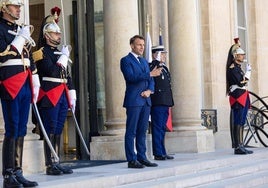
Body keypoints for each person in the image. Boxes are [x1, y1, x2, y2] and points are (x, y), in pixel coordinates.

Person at [32, 7, 76, 175]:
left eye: (58, 34)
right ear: (47, 35)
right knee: (50, 128)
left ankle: (57, 161)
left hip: (62, 92)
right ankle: (49, 164)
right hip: (49, 93)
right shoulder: (40, 53)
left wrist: (72, 92)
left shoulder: (59, 52)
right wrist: (64, 57)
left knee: (58, 128)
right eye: (55, 34)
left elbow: (67, 75)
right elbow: (50, 71)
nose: (59, 36)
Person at [0, 0, 39, 187]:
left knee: (22, 128)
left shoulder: (19, 29)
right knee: (12, 127)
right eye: (15, 6)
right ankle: (8, 175)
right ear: (4, 8)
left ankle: (18, 171)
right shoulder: (0, 28)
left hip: (24, 81)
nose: (18, 10)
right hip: (9, 82)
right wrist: (19, 39)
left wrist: (35, 76)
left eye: (20, 7)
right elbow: (2, 53)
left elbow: (29, 57)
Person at [120, 35, 162, 168]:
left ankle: (142, 157)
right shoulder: (126, 60)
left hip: (146, 100)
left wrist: (150, 90)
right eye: (139, 45)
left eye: (143, 45)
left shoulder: (144, 61)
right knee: (131, 131)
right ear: (132, 45)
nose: (142, 48)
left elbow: (151, 81)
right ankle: (131, 159)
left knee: (142, 130)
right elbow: (131, 77)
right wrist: (150, 74)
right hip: (134, 100)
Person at [226, 38, 253, 155]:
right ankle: (237, 146)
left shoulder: (238, 68)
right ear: (235, 55)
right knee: (238, 120)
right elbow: (240, 82)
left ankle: (241, 144)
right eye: (241, 55)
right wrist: (248, 73)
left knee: (242, 121)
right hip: (238, 97)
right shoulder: (232, 68)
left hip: (242, 95)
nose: (243, 57)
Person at [149, 45, 174, 160]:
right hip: (158, 101)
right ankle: (158, 153)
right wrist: (156, 62)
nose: (164, 56)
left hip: (165, 101)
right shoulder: (153, 66)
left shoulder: (164, 68)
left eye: (164, 54)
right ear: (155, 54)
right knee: (158, 127)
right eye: (161, 54)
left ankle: (162, 151)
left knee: (162, 128)